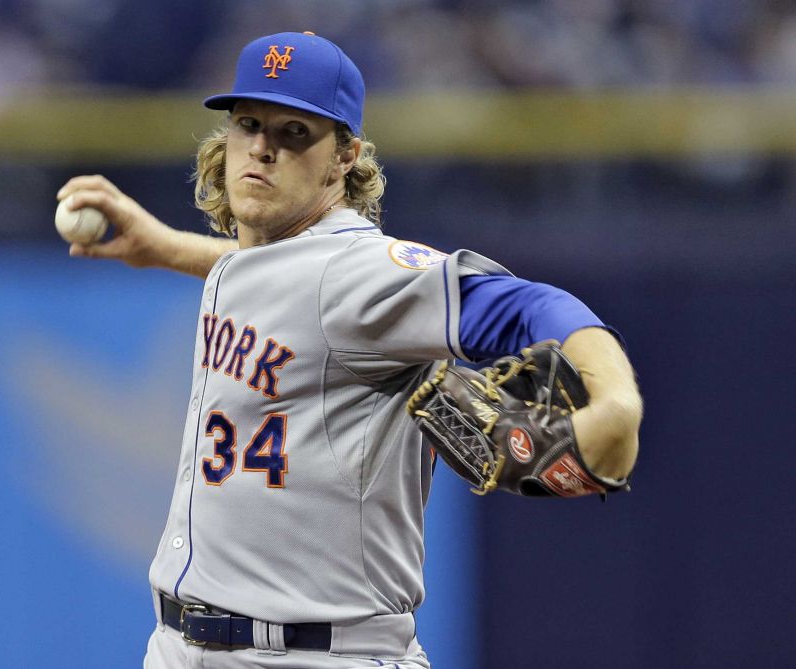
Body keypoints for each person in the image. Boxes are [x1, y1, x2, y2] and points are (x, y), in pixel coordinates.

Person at [57, 31, 641, 669]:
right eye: (248, 123)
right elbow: (281, 284)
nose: (262, 147)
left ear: (344, 158)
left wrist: (617, 398)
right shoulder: (264, 258)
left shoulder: (362, 270)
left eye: (294, 133)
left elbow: (528, 304)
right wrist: (167, 247)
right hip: (180, 647)